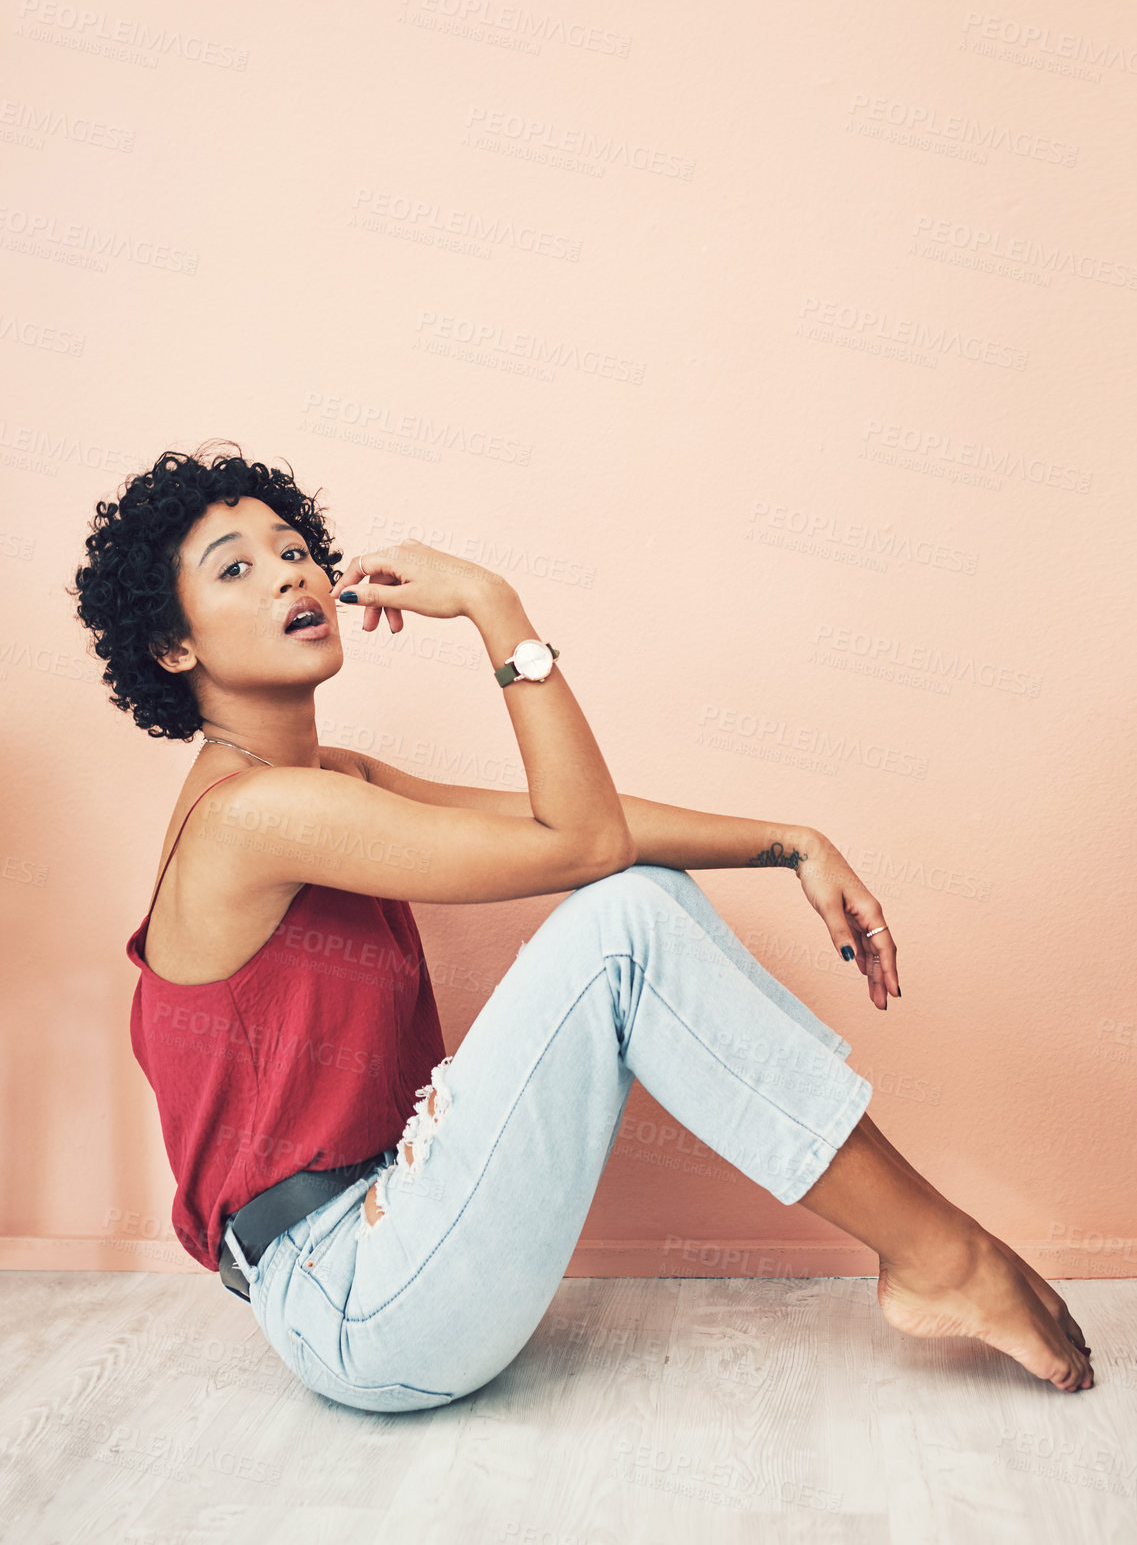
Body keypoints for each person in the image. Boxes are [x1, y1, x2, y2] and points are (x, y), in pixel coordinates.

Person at [71, 442, 1093, 1413]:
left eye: (295, 552)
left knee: (638, 903)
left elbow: (567, 823)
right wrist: (492, 606)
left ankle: (933, 1253)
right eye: (237, 570)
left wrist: (791, 843)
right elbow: (582, 841)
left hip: (406, 1233)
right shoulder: (254, 818)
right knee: (622, 919)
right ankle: (939, 1256)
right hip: (355, 1302)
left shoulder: (326, 784)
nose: (288, 578)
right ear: (172, 643)